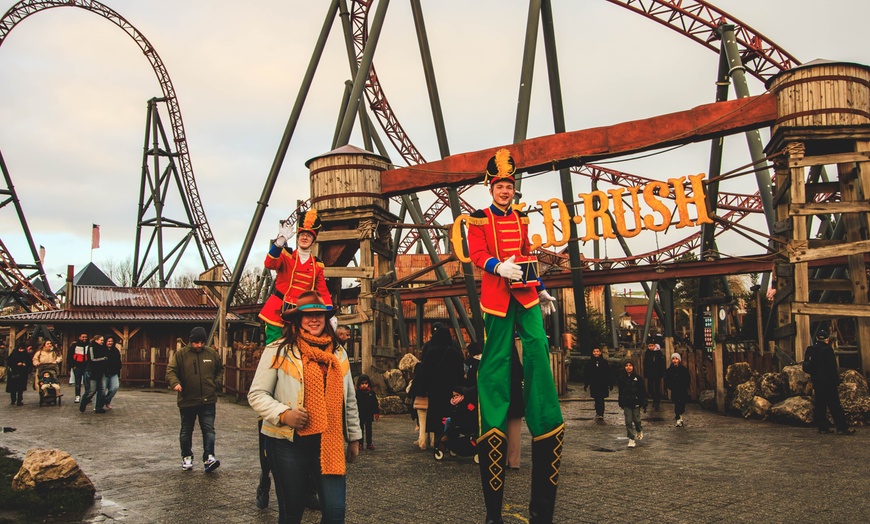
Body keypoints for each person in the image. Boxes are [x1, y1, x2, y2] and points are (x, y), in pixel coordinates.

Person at [466, 148, 564, 524]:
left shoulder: (522, 218)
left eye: (509, 185)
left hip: (523, 291)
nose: (505, 190)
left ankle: (541, 398)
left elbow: (525, 255)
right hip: (496, 295)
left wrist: (537, 286)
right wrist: (497, 266)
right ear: (491, 188)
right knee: (498, 359)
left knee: (538, 343)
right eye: (499, 185)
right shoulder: (479, 219)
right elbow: (476, 255)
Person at [248, 290, 361, 523]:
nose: (314, 319)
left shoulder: (338, 353)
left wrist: (354, 438)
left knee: (335, 512)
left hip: (328, 443)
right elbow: (257, 394)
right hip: (288, 443)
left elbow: (348, 399)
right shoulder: (278, 350)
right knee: (292, 513)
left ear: (326, 319)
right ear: (297, 318)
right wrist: (284, 414)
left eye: (319, 314)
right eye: (307, 315)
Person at [259, 208, 333, 345]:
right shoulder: (286, 256)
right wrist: (280, 242)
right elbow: (269, 263)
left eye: (309, 236)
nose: (305, 237)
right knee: (274, 347)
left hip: (301, 314)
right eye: (302, 235)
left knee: (300, 349)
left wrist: (329, 313)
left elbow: (322, 291)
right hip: (278, 309)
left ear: (313, 240)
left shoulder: (317, 265)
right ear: (297, 238)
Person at [165, 326, 224, 472]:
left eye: (202, 342)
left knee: (209, 430)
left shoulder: (211, 354)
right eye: (196, 342)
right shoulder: (181, 355)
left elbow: (220, 370)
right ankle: (187, 457)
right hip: (187, 400)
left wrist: (215, 384)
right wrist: (175, 383)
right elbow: (170, 371)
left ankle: (209, 457)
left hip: (208, 400)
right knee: (186, 430)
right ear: (191, 341)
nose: (199, 345)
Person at [420, 323, 464, 447]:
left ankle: (438, 440)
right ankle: (451, 439)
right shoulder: (455, 352)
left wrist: (424, 388)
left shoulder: (431, 351)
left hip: (435, 389)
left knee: (436, 415)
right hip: (451, 390)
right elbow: (460, 372)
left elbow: (425, 372)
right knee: (451, 414)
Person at [803, 330, 855, 435]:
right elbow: (832, 367)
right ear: (827, 339)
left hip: (817, 381)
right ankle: (842, 427)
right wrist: (836, 381)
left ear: (817, 338)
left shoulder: (810, 349)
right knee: (835, 405)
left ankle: (822, 428)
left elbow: (806, 367)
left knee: (820, 404)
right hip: (829, 382)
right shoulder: (827, 350)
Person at [617, 359, 647, 448]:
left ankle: (639, 429)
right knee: (628, 421)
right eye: (627, 365)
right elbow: (620, 391)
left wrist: (643, 401)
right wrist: (621, 401)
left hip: (636, 402)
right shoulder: (622, 379)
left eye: (630, 365)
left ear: (633, 367)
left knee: (637, 420)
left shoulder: (638, 378)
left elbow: (643, 391)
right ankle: (631, 438)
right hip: (626, 403)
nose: (628, 367)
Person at [79, 335, 108, 414]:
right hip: (92, 371)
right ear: (96, 340)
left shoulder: (103, 348)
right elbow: (92, 359)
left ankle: (99, 407)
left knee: (102, 390)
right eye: (101, 340)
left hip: (101, 371)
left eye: (103, 340)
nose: (102, 341)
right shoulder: (91, 347)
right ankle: (84, 402)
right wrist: (103, 359)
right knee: (92, 390)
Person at [584, 347, 612, 423]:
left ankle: (601, 413)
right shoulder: (590, 363)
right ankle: (598, 412)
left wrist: (610, 383)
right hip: (594, 383)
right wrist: (586, 384)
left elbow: (608, 373)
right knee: (596, 399)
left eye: (597, 351)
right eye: (594, 351)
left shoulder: (604, 362)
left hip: (603, 383)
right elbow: (587, 374)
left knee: (601, 399)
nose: (596, 353)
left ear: (600, 352)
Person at [664, 352, 690, 427]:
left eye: (676, 359)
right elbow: (666, 379)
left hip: (682, 389)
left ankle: (680, 415)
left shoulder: (684, 369)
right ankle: (678, 418)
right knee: (676, 404)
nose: (675, 360)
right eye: (673, 359)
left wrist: (686, 386)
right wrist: (670, 386)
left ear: (679, 360)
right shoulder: (669, 370)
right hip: (674, 389)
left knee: (682, 404)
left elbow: (687, 378)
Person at [355, 374, 380, 450]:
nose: (364, 385)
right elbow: (354, 404)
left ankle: (369, 443)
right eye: (362, 383)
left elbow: (375, 403)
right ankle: (360, 444)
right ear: (359, 384)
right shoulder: (357, 393)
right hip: (360, 414)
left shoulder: (371, 393)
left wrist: (376, 412)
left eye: (366, 383)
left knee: (369, 429)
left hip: (369, 414)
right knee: (360, 430)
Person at [643, 337, 666, 410]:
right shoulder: (647, 353)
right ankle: (655, 398)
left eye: (652, 346)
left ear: (655, 345)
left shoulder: (659, 353)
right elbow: (645, 363)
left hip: (657, 373)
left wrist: (662, 372)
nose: (650, 347)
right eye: (649, 346)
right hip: (650, 373)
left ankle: (657, 402)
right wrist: (645, 372)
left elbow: (662, 363)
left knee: (657, 387)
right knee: (650, 388)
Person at [6, 341, 32, 405]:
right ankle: (13, 400)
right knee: (13, 388)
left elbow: (29, 363)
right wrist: (16, 364)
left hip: (22, 373)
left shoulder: (26, 355)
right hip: (13, 372)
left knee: (20, 388)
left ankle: (19, 400)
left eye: (22, 349)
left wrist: (24, 364)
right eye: (20, 349)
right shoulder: (14, 354)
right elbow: (9, 362)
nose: (21, 350)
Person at [67, 332, 89, 403]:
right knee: (77, 383)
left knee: (86, 382)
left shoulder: (89, 345)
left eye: (85, 337)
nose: (84, 338)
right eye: (83, 337)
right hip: (77, 366)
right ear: (79, 337)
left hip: (86, 366)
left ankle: (87, 396)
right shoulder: (74, 346)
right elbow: (70, 356)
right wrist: (73, 365)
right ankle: (77, 396)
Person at [103, 335, 122, 410]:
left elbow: (118, 362)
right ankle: (98, 404)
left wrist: (118, 371)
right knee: (102, 389)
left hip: (113, 372)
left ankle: (107, 400)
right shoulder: (102, 350)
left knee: (114, 387)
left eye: (111, 341)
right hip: (104, 373)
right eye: (108, 341)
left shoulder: (115, 351)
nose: (110, 343)